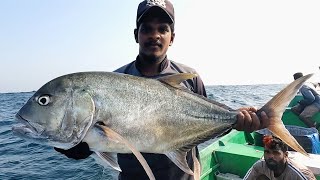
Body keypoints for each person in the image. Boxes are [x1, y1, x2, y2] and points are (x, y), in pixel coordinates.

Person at [54, 0, 269, 179]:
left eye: (163, 29)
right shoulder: (114, 82)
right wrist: (81, 147)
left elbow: (207, 121)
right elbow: (103, 137)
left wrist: (234, 121)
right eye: (147, 28)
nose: (154, 35)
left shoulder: (190, 78)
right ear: (136, 34)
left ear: (172, 37)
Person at [243, 135, 316, 180]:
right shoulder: (260, 166)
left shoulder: (299, 173)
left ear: (285, 155)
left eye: (276, 153)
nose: (270, 156)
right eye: (267, 152)